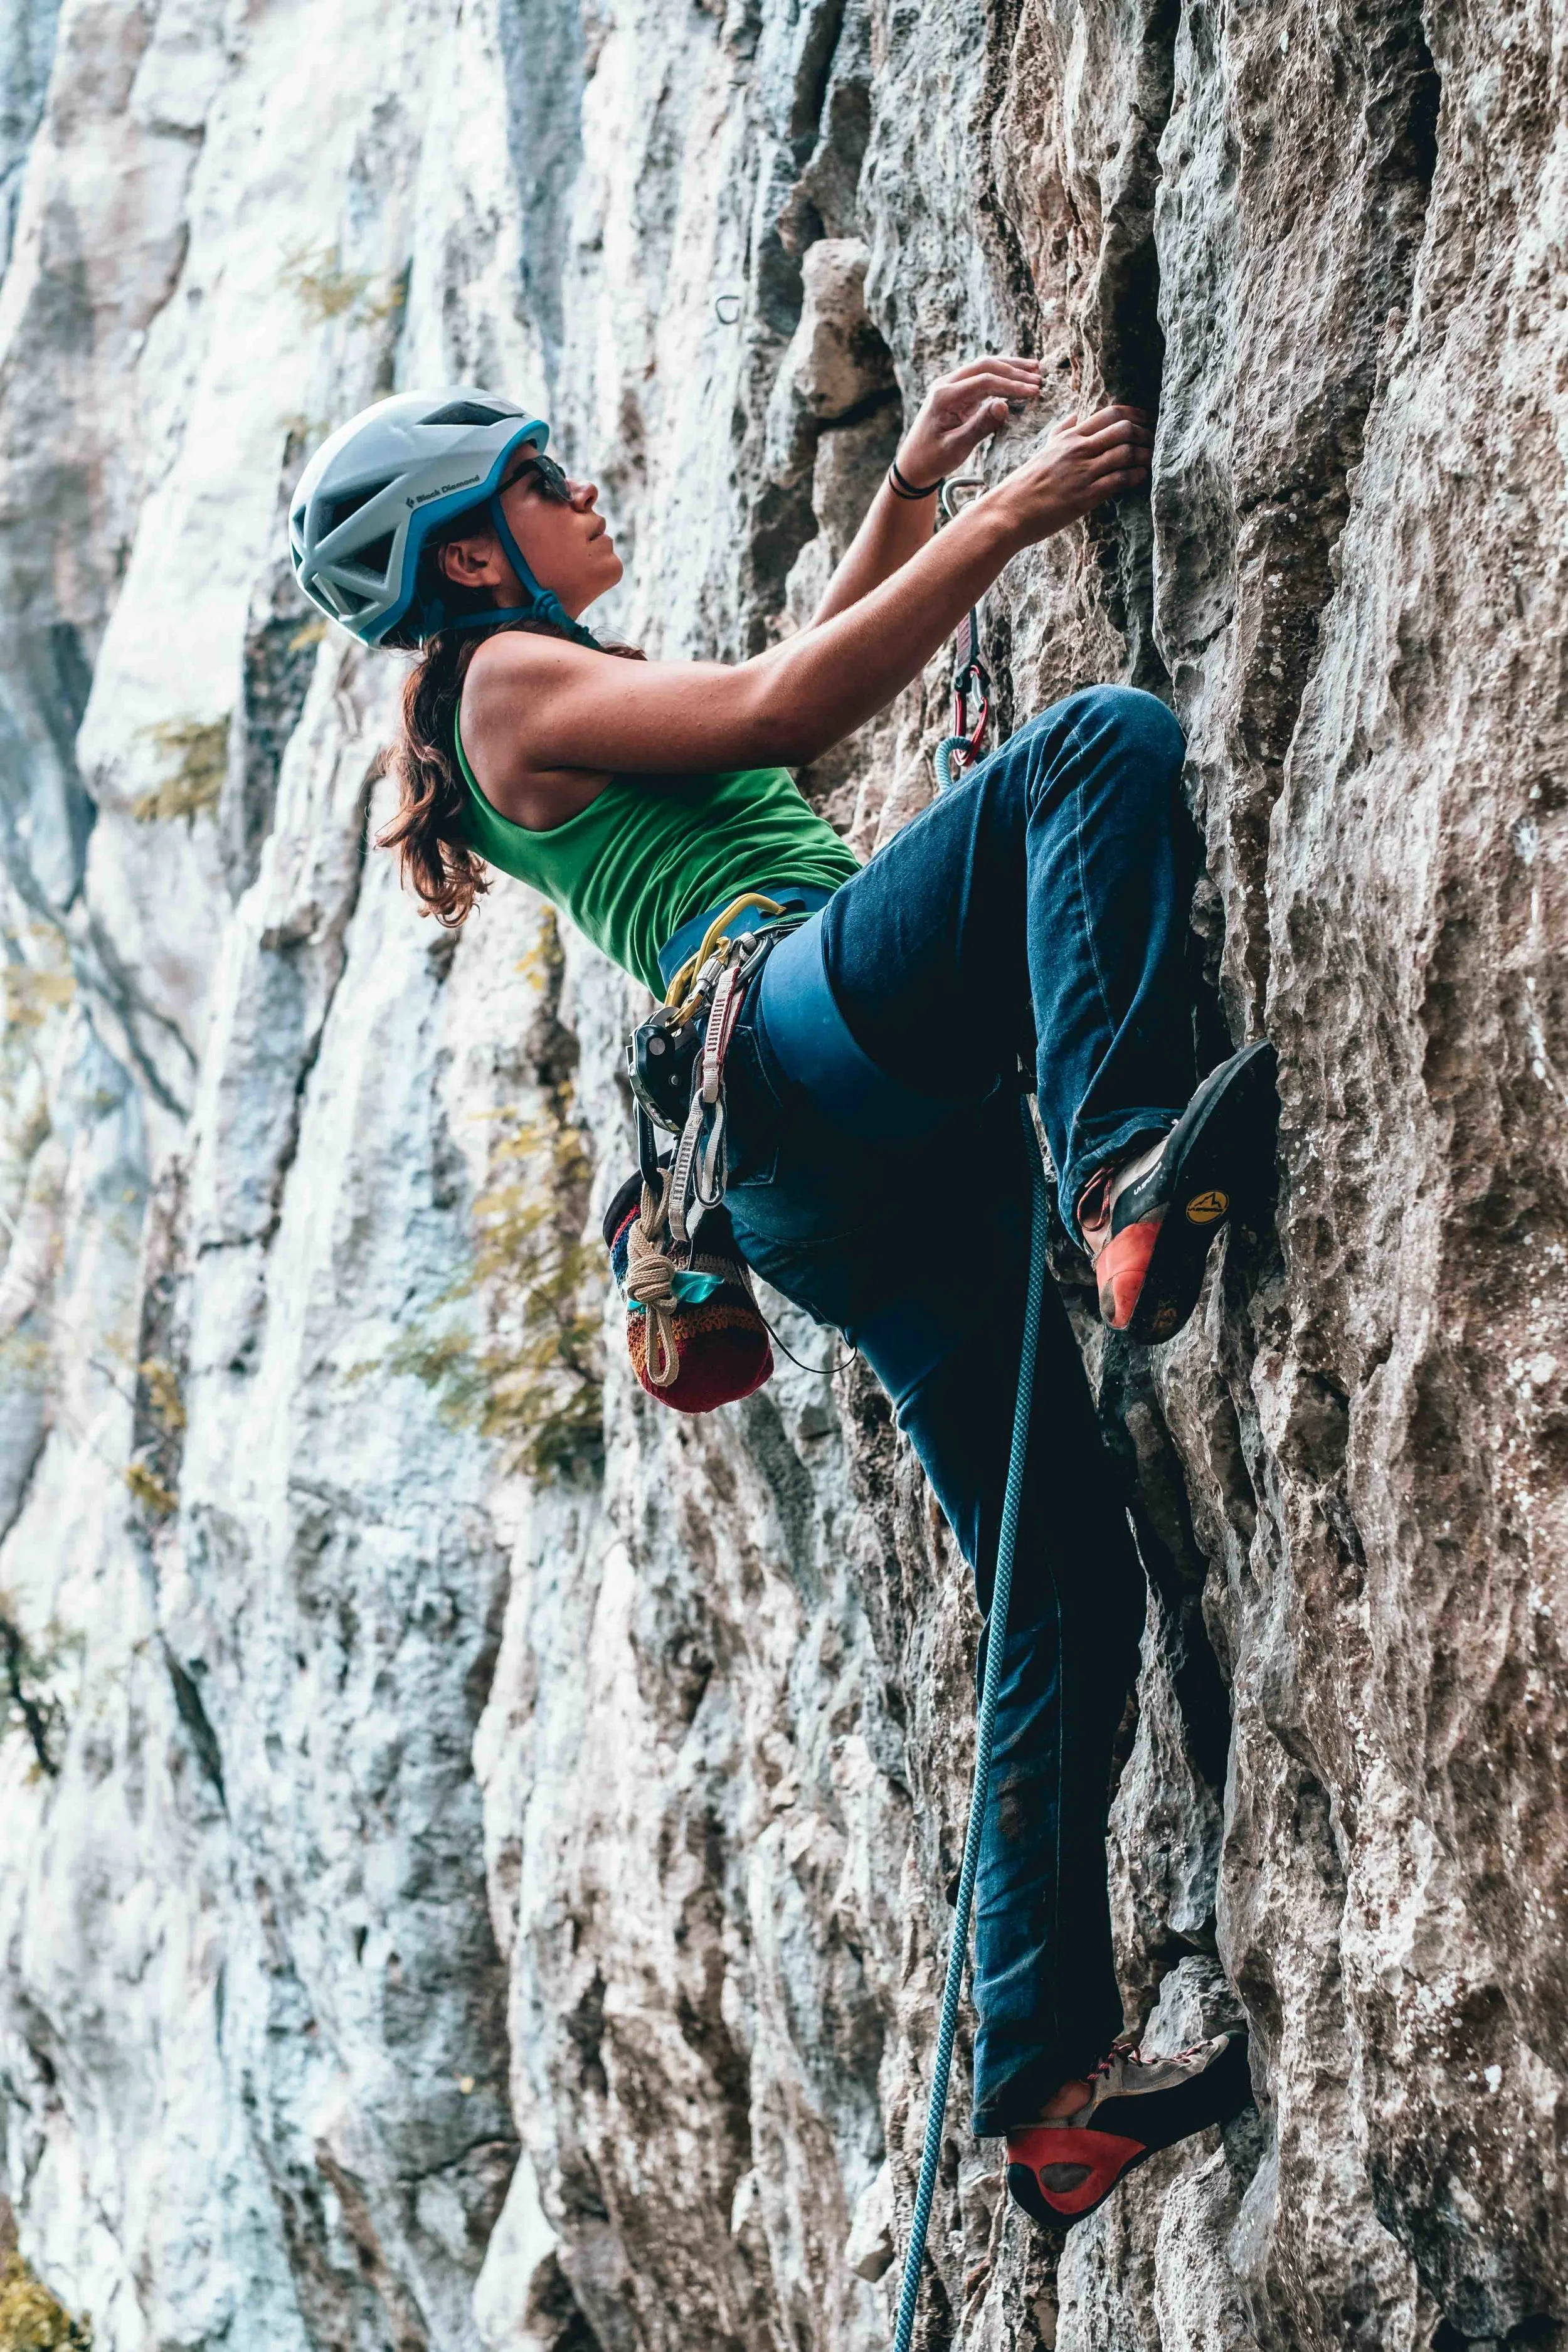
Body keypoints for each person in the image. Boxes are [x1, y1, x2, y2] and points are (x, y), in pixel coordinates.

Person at [290, 366, 1271, 2225]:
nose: (582, 490)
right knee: (1090, 751)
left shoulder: (525, 698)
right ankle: (1128, 1171)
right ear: (470, 547)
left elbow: (777, 733)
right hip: (800, 1047)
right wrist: (1007, 515)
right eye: (540, 479)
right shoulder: (501, 681)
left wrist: (905, 488)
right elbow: (786, 701)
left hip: (805, 1154)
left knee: (1058, 1568)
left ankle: (1045, 2078)